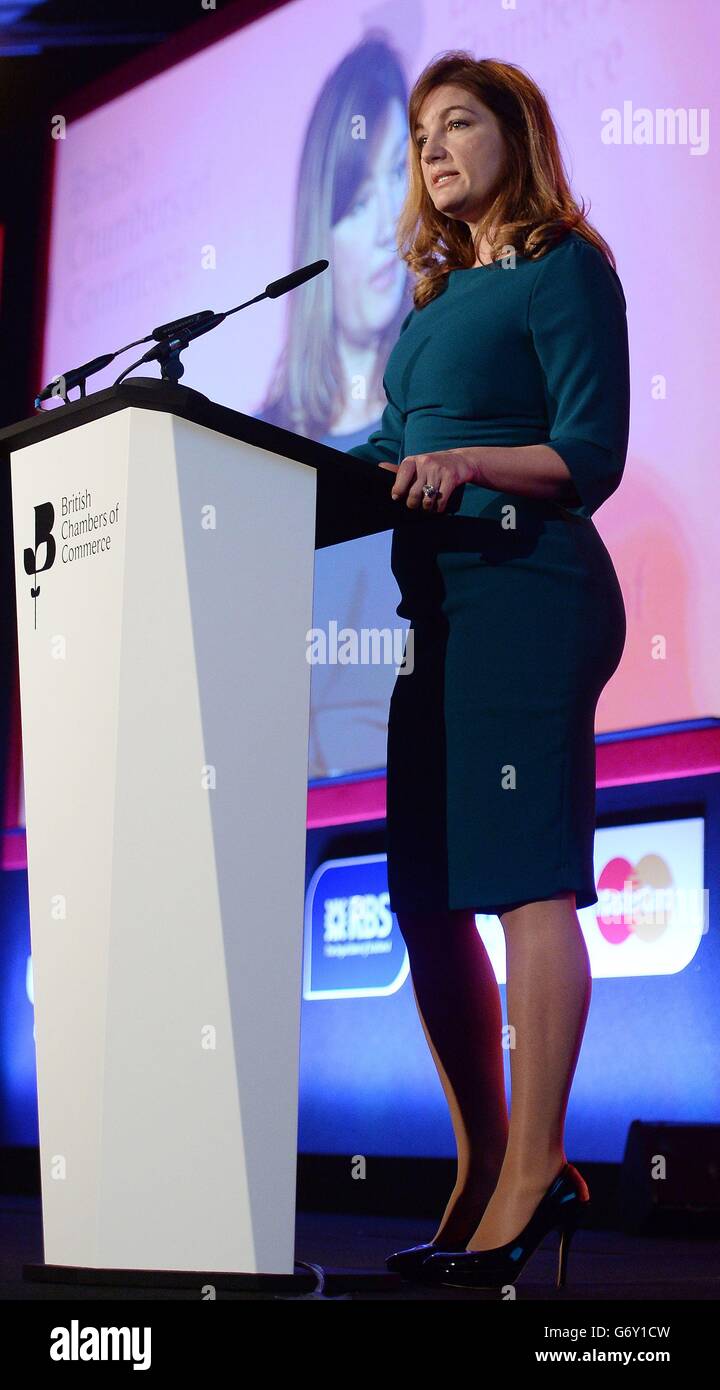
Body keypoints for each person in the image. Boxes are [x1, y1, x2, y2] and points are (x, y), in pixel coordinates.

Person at [345, 52, 630, 1291]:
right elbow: (380, 455)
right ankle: (482, 1166)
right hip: (441, 621)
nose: (434, 147)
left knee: (525, 884)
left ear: (518, 135)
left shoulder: (564, 270)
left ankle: (537, 1170)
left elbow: (589, 453)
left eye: (460, 122)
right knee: (423, 893)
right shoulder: (430, 308)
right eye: (419, 133)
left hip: (529, 595)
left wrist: (469, 462)